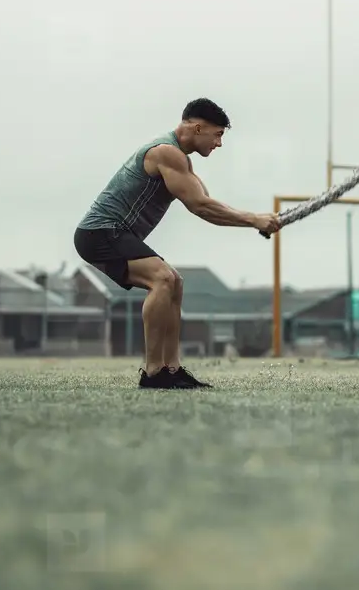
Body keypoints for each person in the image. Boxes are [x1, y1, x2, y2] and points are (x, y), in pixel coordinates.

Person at [73, 98, 281, 388]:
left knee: (175, 283)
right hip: (100, 233)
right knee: (162, 279)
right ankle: (153, 372)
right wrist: (254, 220)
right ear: (197, 128)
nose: (219, 143)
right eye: (218, 134)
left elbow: (208, 206)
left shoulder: (181, 159)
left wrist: (255, 220)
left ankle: (171, 369)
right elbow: (200, 206)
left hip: (113, 234)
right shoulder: (166, 152)